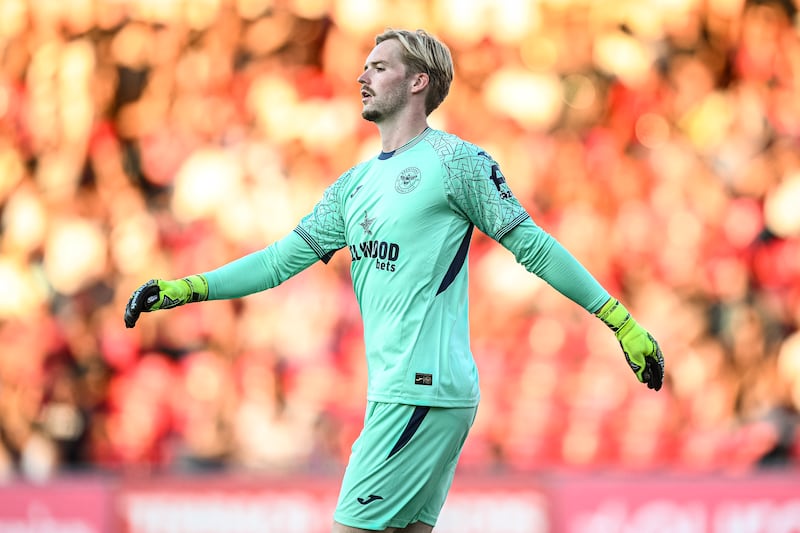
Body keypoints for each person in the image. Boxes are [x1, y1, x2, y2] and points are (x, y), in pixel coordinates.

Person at [124, 28, 665, 533]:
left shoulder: (458, 162)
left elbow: (535, 248)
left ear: (417, 81)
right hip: (405, 393)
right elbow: (275, 262)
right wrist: (185, 289)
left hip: (419, 390)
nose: (362, 77)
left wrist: (619, 321)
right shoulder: (354, 185)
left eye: (379, 67)